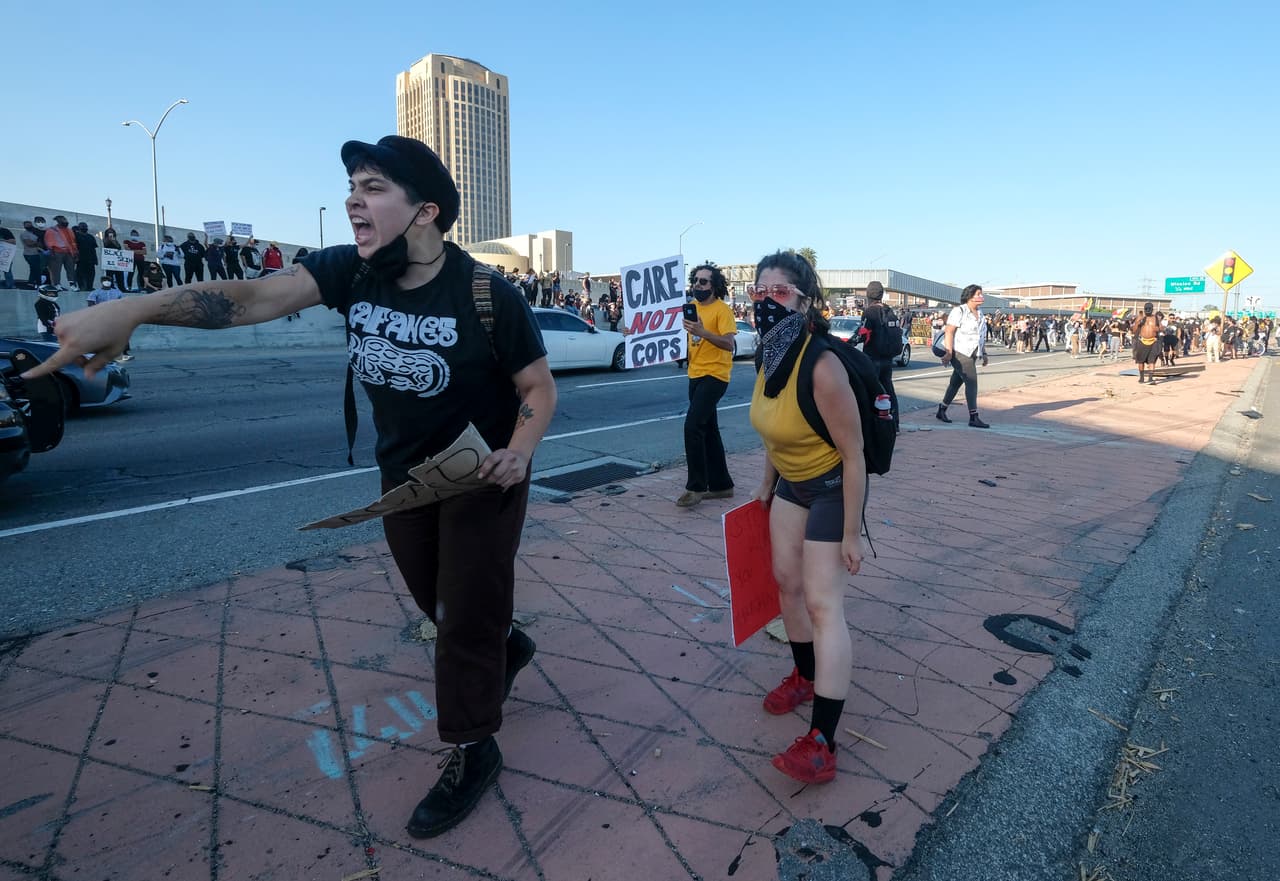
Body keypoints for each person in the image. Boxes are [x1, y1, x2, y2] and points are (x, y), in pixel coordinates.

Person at [23, 133, 556, 841]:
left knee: (457, 621)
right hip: (403, 479)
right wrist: (137, 309)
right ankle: (506, 644)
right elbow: (249, 300)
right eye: (352, 187)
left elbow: (537, 387)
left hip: (481, 476)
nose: (352, 200)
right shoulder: (352, 270)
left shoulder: (487, 292)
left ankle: (472, 747)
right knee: (441, 600)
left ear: (425, 210)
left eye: (372, 188)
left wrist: (519, 453)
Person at [747, 250, 866, 785]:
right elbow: (777, 430)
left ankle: (823, 739)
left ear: (804, 300)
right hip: (793, 487)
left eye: (779, 293)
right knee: (786, 586)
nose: (766, 303)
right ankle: (804, 674)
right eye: (759, 292)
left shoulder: (822, 365)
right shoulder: (768, 357)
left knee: (823, 604)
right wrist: (766, 485)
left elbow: (855, 453)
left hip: (834, 489)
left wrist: (850, 532)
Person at [676, 262, 736, 507]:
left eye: (703, 282)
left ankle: (696, 487)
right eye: (695, 281)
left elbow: (728, 344)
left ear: (714, 285)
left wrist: (703, 331)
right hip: (695, 373)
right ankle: (722, 485)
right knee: (709, 431)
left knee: (692, 427)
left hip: (716, 375)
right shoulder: (690, 307)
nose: (697, 286)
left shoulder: (723, 310)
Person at [936, 285, 990, 428]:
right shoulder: (959, 311)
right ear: (970, 296)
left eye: (981, 294)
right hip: (959, 351)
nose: (981, 297)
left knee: (955, 382)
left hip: (973, 352)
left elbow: (981, 335)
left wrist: (984, 353)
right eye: (978, 294)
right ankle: (973, 416)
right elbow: (949, 332)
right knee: (972, 382)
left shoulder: (980, 313)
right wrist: (948, 352)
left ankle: (942, 409)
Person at [858, 280, 900, 433]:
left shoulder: (870, 312)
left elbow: (862, 334)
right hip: (887, 358)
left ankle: (871, 423)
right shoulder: (889, 311)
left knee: (870, 389)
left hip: (872, 357)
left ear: (869, 295)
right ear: (881, 294)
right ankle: (894, 423)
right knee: (888, 389)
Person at [87, 275, 132, 360]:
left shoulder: (117, 292)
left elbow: (124, 302)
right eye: (105, 280)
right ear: (101, 282)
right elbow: (90, 303)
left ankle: (124, 351)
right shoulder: (96, 292)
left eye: (108, 280)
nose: (107, 282)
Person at [1130, 302, 1162, 384]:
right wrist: (1137, 322)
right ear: (1144, 309)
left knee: (1152, 361)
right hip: (1142, 341)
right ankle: (1142, 377)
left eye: (1149, 309)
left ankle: (1150, 378)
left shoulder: (1156, 318)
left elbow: (1161, 329)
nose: (1148, 310)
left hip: (1153, 341)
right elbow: (1133, 330)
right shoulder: (1141, 318)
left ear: (1152, 309)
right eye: (1146, 309)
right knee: (1141, 361)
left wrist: (1157, 328)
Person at [44, 215, 79, 290]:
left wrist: (75, 252)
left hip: (69, 252)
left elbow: (73, 242)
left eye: (65, 220)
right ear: (58, 221)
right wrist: (51, 251)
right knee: (56, 270)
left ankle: (72, 285)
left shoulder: (69, 230)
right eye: (63, 220)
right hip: (56, 251)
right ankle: (57, 285)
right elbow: (48, 241)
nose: (65, 222)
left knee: (71, 270)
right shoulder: (52, 230)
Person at [73, 223, 99, 294]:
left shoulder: (90, 237)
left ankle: (90, 287)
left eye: (85, 227)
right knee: (80, 274)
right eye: (82, 227)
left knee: (91, 274)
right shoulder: (76, 236)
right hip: (81, 259)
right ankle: (82, 287)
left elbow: (93, 249)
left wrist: (95, 259)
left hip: (90, 259)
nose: (84, 228)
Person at [20, 219, 47, 288]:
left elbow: (41, 243)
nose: (28, 226)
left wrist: (36, 243)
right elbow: (28, 243)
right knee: (36, 269)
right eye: (27, 225)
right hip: (29, 254)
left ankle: (31, 283)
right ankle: (39, 283)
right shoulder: (24, 234)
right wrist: (37, 243)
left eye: (29, 224)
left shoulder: (35, 233)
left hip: (36, 253)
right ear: (24, 226)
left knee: (34, 269)